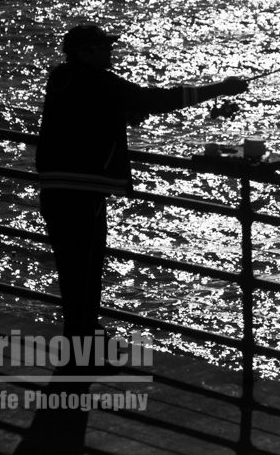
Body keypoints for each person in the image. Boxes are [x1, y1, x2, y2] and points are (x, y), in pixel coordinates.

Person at [35, 23, 248, 359]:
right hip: (83, 192)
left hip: (55, 190)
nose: (110, 53)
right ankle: (83, 350)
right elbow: (156, 99)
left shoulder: (62, 79)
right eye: (104, 48)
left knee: (71, 271)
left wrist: (120, 112)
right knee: (86, 272)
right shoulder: (99, 81)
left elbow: (85, 114)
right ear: (86, 53)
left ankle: (81, 336)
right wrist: (220, 88)